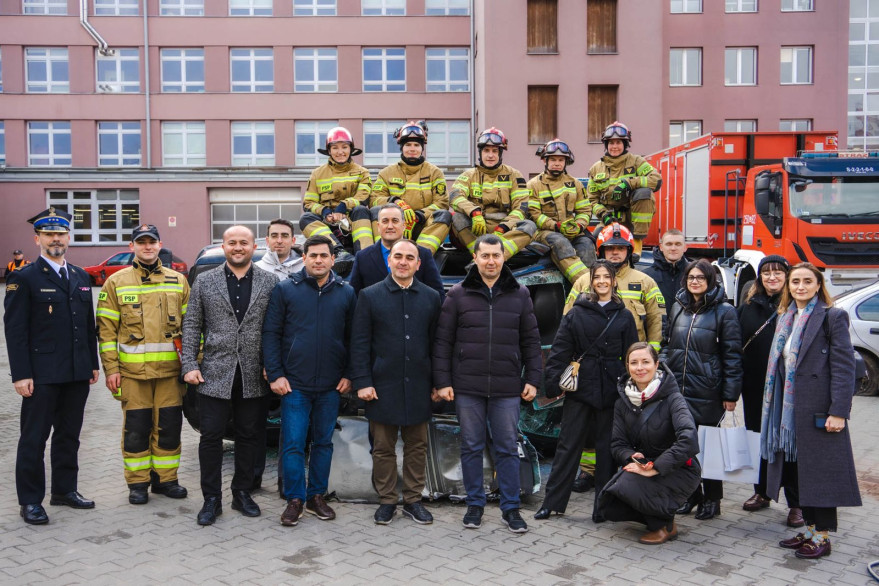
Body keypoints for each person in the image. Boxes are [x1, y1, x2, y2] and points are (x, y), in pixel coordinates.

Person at [433, 234, 543, 533]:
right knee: (471, 446)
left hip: (507, 387)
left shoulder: (520, 294)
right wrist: (442, 381)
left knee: (507, 447)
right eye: (485, 256)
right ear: (476, 258)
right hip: (467, 386)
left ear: (503, 258)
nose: (491, 261)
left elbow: (531, 341)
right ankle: (475, 505)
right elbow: (443, 342)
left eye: (496, 255)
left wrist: (533, 378)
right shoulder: (457, 294)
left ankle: (511, 509)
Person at [4, 207, 99, 525]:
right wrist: (21, 374)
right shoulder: (24, 277)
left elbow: (88, 325)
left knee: (69, 435)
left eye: (60, 234)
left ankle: (64, 490)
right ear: (37, 239)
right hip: (41, 375)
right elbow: (15, 331)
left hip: (76, 371)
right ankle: (30, 500)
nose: (55, 238)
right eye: (49, 234)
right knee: (34, 438)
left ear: (69, 238)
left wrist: (92, 363)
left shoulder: (80, 276)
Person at [764, 262, 861, 560]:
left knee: (820, 475)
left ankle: (822, 537)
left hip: (818, 409)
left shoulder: (832, 317)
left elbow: (843, 368)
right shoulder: (786, 317)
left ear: (819, 285)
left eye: (808, 281)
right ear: (788, 286)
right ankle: (808, 529)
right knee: (796, 472)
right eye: (795, 281)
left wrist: (839, 412)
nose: (801, 286)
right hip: (788, 412)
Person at [182, 225, 277, 526]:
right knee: (211, 437)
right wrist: (189, 365)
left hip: (253, 373)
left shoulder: (270, 282)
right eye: (232, 242)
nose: (238, 247)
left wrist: (272, 366)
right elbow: (191, 325)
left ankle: (242, 492)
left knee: (250, 436)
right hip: (214, 372)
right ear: (223, 246)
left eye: (244, 243)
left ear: (254, 246)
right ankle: (212, 499)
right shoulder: (205, 282)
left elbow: (274, 329)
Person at [262, 235, 356, 528]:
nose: (318, 260)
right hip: (295, 385)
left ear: (332, 259)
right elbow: (271, 334)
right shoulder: (285, 290)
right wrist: (275, 374)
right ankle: (295, 499)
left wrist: (349, 374)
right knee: (292, 443)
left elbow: (355, 338)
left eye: (323, 256)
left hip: (330, 385)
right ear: (303, 258)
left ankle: (316, 496)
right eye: (312, 255)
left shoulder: (346, 293)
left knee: (323, 443)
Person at [563, 223, 665, 493]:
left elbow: (656, 323)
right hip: (593, 369)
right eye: (610, 248)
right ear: (601, 251)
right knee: (590, 426)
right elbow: (568, 319)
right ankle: (588, 472)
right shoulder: (585, 281)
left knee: (628, 425)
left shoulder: (645, 282)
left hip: (633, 369)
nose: (615, 253)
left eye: (620, 248)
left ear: (629, 251)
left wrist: (649, 364)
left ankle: (626, 470)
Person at [536, 260, 638, 523]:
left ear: (614, 281)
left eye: (607, 277)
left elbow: (631, 355)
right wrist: (552, 386)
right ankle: (552, 504)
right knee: (568, 446)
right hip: (580, 390)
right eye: (597, 277)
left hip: (611, 391)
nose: (602, 281)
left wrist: (632, 389)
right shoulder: (576, 313)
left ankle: (602, 508)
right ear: (591, 281)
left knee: (607, 450)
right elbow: (560, 350)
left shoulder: (624, 315)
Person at [96, 224, 190, 505]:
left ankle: (166, 480)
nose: (147, 247)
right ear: (132, 247)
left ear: (160, 245)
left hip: (171, 375)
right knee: (136, 429)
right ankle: (138, 483)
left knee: (169, 428)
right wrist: (111, 369)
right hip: (132, 375)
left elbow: (193, 328)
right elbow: (105, 332)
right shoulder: (116, 282)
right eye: (141, 242)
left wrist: (191, 366)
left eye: (152, 242)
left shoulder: (178, 280)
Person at [350, 239, 442, 525]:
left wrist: (439, 382)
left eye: (409, 257)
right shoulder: (369, 295)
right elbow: (360, 343)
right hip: (381, 385)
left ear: (419, 263)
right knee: (383, 448)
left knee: (417, 446)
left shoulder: (431, 297)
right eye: (397, 256)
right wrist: (363, 381)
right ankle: (387, 500)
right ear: (389, 261)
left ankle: (413, 500)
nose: (403, 261)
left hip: (418, 384)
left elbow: (438, 344)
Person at [661, 259, 743, 521]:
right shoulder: (678, 307)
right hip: (678, 391)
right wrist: (664, 373)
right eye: (691, 277)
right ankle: (692, 494)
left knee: (710, 448)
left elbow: (732, 357)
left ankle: (712, 499)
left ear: (711, 281)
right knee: (683, 447)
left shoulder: (725, 312)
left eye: (701, 277)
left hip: (708, 391)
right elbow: (667, 344)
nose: (695, 281)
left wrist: (730, 395)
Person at [596, 342, 701, 545]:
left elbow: (689, 439)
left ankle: (664, 525)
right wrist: (634, 459)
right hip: (645, 463)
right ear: (627, 366)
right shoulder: (622, 402)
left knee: (628, 486)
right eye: (634, 363)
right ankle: (652, 515)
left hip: (678, 469)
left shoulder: (673, 398)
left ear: (657, 365)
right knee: (613, 494)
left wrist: (656, 468)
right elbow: (618, 443)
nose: (640, 367)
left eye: (646, 362)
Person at [737, 255, 802, 527]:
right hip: (754, 387)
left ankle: (796, 503)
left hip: (787, 390)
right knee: (757, 440)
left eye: (778, 272)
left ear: (787, 276)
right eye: (766, 273)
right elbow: (736, 348)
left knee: (787, 444)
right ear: (759, 277)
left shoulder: (797, 307)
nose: (772, 277)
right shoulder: (748, 307)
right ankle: (761, 491)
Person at [449, 128, 536, 260]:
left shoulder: (514, 175)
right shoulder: (468, 175)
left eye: (495, 151)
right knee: (457, 218)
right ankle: (479, 257)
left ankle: (497, 258)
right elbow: (455, 196)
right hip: (476, 229)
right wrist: (474, 212)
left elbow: (521, 208)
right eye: (486, 151)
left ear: (500, 154)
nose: (490, 155)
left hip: (505, 231)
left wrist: (503, 227)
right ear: (480, 152)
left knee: (529, 226)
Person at [370, 120, 451, 255]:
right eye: (407, 145)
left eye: (416, 145)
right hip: (395, 224)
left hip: (424, 226)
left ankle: (419, 255)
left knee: (444, 215)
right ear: (401, 147)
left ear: (422, 148)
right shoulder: (386, 173)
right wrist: (395, 202)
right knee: (376, 211)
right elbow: (374, 199)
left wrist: (418, 216)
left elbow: (442, 203)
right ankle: (384, 255)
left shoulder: (435, 172)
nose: (412, 149)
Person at [299, 127, 373, 267]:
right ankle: (338, 252)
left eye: (344, 147)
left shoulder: (362, 172)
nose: (340, 152)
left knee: (361, 211)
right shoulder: (317, 174)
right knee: (306, 219)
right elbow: (308, 203)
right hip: (327, 222)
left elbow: (363, 196)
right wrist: (325, 212)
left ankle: (365, 255)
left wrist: (343, 207)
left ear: (351, 149)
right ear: (329, 150)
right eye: (335, 148)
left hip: (352, 219)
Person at [526, 138, 596, 283]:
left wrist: (579, 225)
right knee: (560, 242)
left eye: (560, 160)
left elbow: (584, 210)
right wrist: (555, 226)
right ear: (544, 161)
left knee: (587, 245)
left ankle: (585, 287)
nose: (557, 163)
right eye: (553, 159)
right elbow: (534, 214)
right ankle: (586, 286)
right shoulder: (533, 185)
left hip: (572, 230)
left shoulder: (575, 184)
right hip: (544, 232)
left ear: (566, 162)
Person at [587, 121, 662, 256]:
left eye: (618, 142)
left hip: (632, 220)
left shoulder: (636, 161)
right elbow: (592, 200)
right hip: (609, 220)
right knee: (593, 246)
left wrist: (629, 183)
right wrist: (604, 216)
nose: (614, 146)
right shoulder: (595, 169)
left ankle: (637, 247)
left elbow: (656, 179)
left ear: (625, 144)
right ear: (606, 145)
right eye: (611, 143)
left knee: (644, 192)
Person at [348, 204, 445, 301]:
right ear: (378, 226)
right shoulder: (362, 257)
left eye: (395, 221)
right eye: (385, 221)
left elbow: (437, 296)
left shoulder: (423, 254)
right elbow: (354, 298)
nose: (390, 226)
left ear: (404, 226)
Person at [643, 229, 690, 320]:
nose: (673, 248)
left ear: (685, 247)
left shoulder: (694, 275)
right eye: (669, 244)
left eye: (678, 244)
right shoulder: (646, 276)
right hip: (657, 331)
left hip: (686, 332)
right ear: (661, 247)